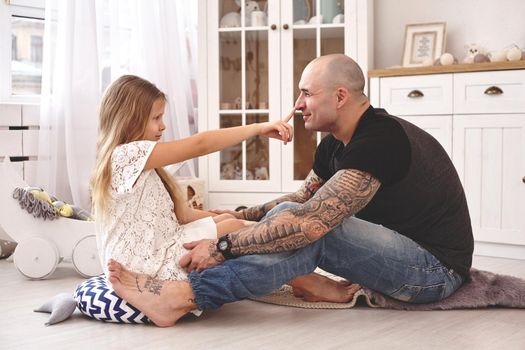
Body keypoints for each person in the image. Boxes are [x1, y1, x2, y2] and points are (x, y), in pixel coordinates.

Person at [107, 54, 474, 327]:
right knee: (288, 216)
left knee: (318, 232)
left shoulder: (380, 139)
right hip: (398, 255)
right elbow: (301, 201)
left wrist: (222, 246)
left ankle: (185, 297)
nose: (297, 105)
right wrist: (238, 217)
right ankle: (309, 284)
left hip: (432, 272)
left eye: (306, 94)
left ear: (341, 96)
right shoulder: (334, 145)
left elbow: (312, 223)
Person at [91, 74, 294, 296]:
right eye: (156, 118)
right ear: (129, 120)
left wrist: (239, 219)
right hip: (142, 265)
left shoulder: (144, 164)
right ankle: (302, 278)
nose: (163, 126)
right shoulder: (126, 155)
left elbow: (182, 216)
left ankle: (296, 266)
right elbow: (200, 144)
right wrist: (259, 128)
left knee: (230, 222)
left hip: (157, 248)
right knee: (234, 230)